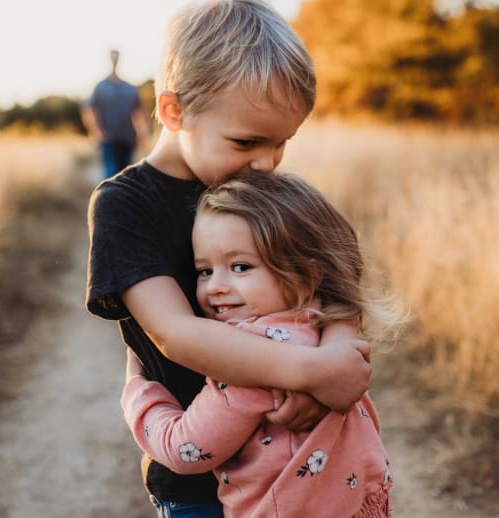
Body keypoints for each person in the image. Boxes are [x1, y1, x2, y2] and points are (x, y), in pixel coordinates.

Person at [86, 1, 371, 516]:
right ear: (174, 112)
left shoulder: (261, 191)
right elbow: (177, 334)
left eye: (282, 143)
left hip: (306, 464)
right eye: (246, 142)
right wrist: (308, 371)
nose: (266, 163)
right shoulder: (125, 206)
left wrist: (337, 359)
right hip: (202, 483)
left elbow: (338, 279)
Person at [121, 172, 398, 518]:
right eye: (204, 271)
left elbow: (183, 450)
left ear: (307, 274)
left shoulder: (246, 359)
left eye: (240, 267)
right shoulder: (323, 323)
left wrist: (138, 392)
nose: (216, 287)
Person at [81, 49, 150, 178]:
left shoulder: (129, 88)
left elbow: (138, 113)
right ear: (109, 59)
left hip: (127, 139)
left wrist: (143, 135)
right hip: (109, 140)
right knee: (111, 175)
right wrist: (96, 132)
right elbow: (89, 110)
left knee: (125, 176)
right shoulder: (100, 87)